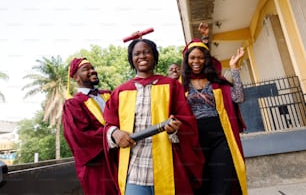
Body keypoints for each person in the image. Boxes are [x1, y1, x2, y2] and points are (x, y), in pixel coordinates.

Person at [103, 38, 205, 195]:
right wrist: (115, 133)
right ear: (131, 59)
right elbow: (109, 124)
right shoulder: (120, 92)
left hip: (168, 165)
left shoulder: (171, 86)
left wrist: (175, 129)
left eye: (147, 52)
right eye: (137, 53)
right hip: (134, 169)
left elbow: (187, 119)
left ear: (155, 56)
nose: (142, 56)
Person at [181, 39, 248, 195]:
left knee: (223, 179)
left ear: (206, 60)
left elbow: (239, 98)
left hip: (220, 137)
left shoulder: (217, 82)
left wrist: (234, 69)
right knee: (200, 182)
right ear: (187, 60)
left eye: (200, 57)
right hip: (194, 139)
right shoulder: (180, 85)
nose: (196, 61)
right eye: (192, 58)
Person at [62, 57, 118, 195]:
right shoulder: (73, 104)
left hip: (120, 157)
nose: (92, 71)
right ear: (76, 77)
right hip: (97, 165)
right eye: (85, 69)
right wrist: (112, 134)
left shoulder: (108, 95)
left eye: (92, 68)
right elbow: (79, 136)